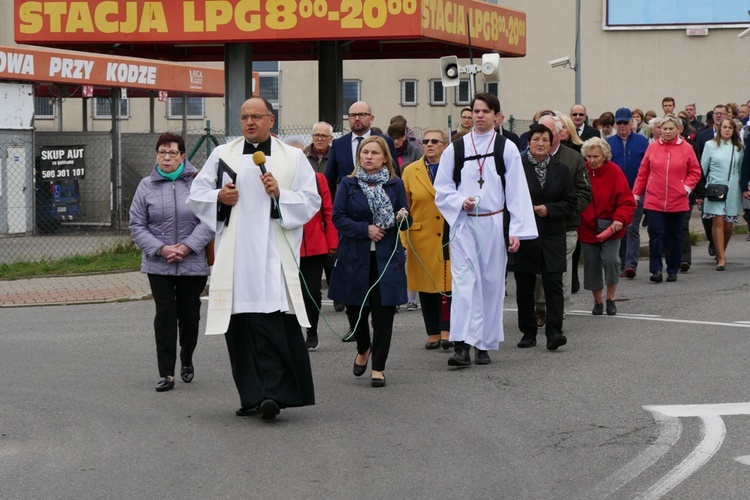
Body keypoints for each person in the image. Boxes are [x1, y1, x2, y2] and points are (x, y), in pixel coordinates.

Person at [188, 97, 320, 420]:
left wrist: (281, 195)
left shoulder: (292, 157)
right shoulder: (223, 154)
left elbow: (310, 200)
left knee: (271, 327)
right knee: (241, 330)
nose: (250, 122)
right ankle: (251, 396)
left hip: (272, 256)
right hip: (236, 256)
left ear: (270, 121)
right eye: (245, 117)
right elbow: (196, 194)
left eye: (256, 116)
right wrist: (219, 197)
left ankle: (272, 394)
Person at [435, 92, 537, 366]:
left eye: (485, 111)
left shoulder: (506, 148)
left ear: (496, 116)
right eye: (476, 111)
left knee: (491, 285)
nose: (480, 115)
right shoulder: (455, 149)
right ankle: (461, 344)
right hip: (464, 224)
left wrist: (516, 230)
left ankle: (484, 343)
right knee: (464, 283)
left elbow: (517, 192)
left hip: (493, 222)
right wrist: (459, 201)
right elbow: (442, 188)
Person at [129, 133, 214, 392]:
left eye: (172, 153)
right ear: (156, 156)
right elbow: (136, 224)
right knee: (165, 315)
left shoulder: (199, 182)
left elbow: (210, 220)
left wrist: (187, 247)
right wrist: (161, 249)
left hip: (193, 262)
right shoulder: (146, 186)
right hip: (159, 264)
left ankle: (186, 359)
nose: (167, 157)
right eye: (162, 153)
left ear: (183, 156)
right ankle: (166, 373)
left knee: (190, 315)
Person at [327, 136, 410, 388]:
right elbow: (338, 217)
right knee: (356, 312)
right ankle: (363, 348)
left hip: (386, 260)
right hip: (355, 257)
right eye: (365, 152)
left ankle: (378, 367)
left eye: (375, 153)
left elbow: (408, 220)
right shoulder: (349, 184)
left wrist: (403, 216)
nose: (369, 156)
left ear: (385, 157)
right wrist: (365, 229)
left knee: (384, 316)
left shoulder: (395, 184)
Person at [325, 101, 399, 339]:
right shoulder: (338, 144)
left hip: (383, 234)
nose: (357, 118)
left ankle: (378, 332)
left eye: (361, 114)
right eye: (353, 115)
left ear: (371, 117)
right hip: (352, 215)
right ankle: (358, 332)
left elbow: (394, 179)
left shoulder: (385, 143)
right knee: (354, 289)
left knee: (378, 292)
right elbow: (331, 179)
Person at [513, 124, 577, 350]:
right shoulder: (517, 167)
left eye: (545, 140)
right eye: (536, 139)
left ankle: (554, 331)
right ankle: (528, 332)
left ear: (552, 144)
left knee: (553, 286)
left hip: (552, 234)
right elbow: (508, 200)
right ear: (528, 142)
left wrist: (549, 209)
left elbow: (571, 202)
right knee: (525, 287)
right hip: (525, 235)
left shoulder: (561, 168)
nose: (540, 143)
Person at [534, 114, 591, 321]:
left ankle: (558, 312)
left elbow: (584, 193)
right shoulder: (527, 158)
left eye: (547, 132)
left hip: (565, 227)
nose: (542, 138)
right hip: (537, 227)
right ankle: (540, 308)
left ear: (559, 133)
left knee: (561, 272)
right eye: (538, 132)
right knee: (539, 272)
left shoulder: (573, 158)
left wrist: (565, 212)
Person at [632, 114, 702, 283]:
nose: (667, 132)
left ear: (678, 129)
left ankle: (672, 268)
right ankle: (656, 269)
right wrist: (636, 194)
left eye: (671, 128)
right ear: (659, 130)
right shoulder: (653, 147)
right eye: (664, 128)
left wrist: (686, 187)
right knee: (656, 234)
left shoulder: (686, 148)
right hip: (654, 198)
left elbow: (695, 171)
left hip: (677, 199)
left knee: (674, 235)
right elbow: (643, 172)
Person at [401, 128, 453, 350]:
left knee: (448, 286)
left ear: (444, 145)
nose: (429, 144)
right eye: (425, 141)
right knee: (425, 287)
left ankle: (447, 329)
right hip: (421, 235)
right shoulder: (410, 171)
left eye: (435, 141)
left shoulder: (453, 168)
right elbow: (405, 206)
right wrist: (404, 238)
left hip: (449, 233)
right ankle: (432, 331)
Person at [286, 138, 339, 351]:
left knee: (312, 292)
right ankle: (292, 331)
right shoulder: (277, 180)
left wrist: (332, 242)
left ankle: (311, 329)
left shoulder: (318, 179)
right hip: (287, 245)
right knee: (289, 292)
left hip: (314, 246)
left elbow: (328, 211)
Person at [579, 138, 635, 316]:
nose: (592, 160)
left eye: (596, 156)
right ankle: (598, 301)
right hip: (587, 227)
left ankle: (611, 298)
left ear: (605, 156)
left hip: (612, 227)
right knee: (592, 264)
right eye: (588, 156)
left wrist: (620, 219)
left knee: (612, 260)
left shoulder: (614, 172)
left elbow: (626, 201)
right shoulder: (582, 172)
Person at [607, 107, 649, 279]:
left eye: (626, 122)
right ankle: (621, 262)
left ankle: (630, 265)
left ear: (632, 122)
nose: (623, 126)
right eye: (619, 123)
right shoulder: (609, 142)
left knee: (632, 227)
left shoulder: (641, 141)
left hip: (636, 192)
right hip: (616, 193)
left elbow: (647, 166)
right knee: (619, 227)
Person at [700, 118, 744, 271]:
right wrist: (701, 190)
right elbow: (702, 169)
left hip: (732, 188)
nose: (727, 130)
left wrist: (743, 187)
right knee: (717, 220)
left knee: (728, 225)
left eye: (730, 128)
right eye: (724, 127)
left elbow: (740, 169)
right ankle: (722, 258)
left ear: (733, 130)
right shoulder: (710, 145)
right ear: (719, 129)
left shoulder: (738, 147)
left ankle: (721, 251)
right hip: (715, 187)